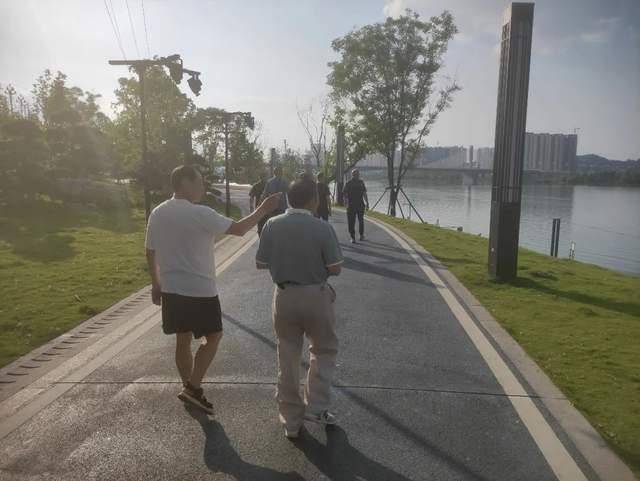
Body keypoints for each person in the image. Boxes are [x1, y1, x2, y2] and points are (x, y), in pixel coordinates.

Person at [145, 165, 281, 414]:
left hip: (171, 289)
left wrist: (156, 283)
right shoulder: (201, 213)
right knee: (214, 337)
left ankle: (189, 388)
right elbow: (239, 229)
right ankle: (193, 388)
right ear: (185, 182)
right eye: (199, 182)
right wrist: (264, 209)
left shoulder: (158, 212)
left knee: (182, 339)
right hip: (200, 289)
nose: (202, 187)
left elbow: (150, 251)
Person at [256, 178, 343, 439]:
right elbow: (335, 268)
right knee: (324, 350)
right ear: (313, 199)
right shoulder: (322, 228)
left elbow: (261, 262)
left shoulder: (272, 224)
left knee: (287, 354)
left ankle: (291, 421)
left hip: (284, 296)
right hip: (315, 296)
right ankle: (316, 407)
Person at [257, 165, 289, 235]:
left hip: (272, 206)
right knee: (281, 224)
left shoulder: (269, 182)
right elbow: (289, 193)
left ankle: (272, 235)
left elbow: (264, 195)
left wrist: (259, 205)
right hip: (282, 206)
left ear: (274, 172)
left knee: (272, 223)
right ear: (281, 172)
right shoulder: (285, 182)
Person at [343, 169, 369, 243]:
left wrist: (346, 204)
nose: (358, 175)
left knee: (352, 221)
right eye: (357, 174)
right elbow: (364, 194)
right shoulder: (360, 182)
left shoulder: (348, 183)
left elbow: (345, 195)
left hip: (352, 205)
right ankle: (360, 235)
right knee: (360, 220)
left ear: (352, 175)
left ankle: (353, 237)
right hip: (359, 204)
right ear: (357, 175)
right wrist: (367, 203)